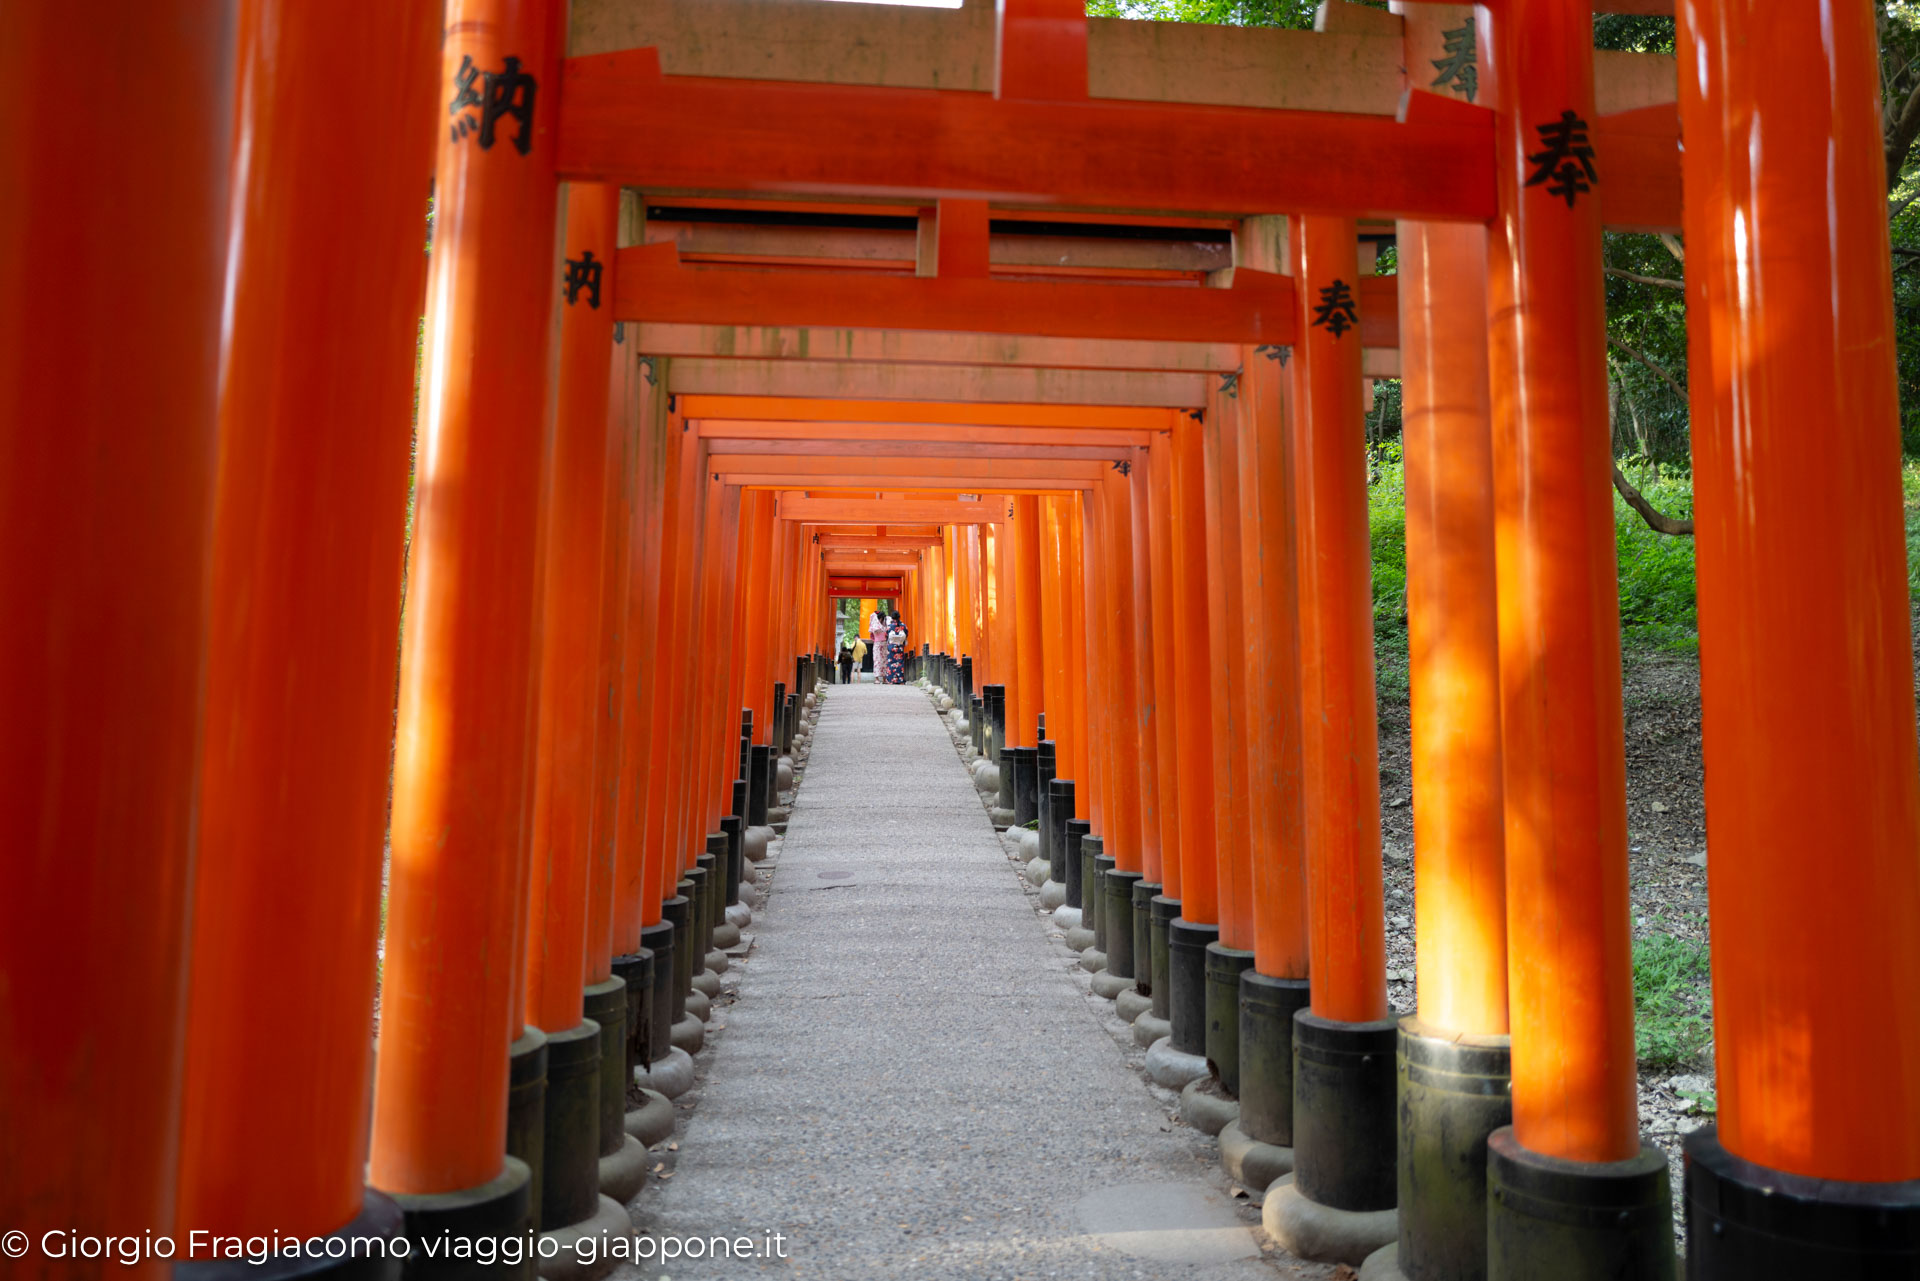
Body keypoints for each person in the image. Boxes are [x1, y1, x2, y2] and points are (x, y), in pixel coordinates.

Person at [882, 614, 908, 685]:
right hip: (900, 646)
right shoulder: (903, 626)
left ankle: (891, 680)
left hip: (892, 646)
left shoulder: (889, 626)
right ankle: (900, 680)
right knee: (899, 663)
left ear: (892, 618)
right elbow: (906, 634)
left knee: (891, 663)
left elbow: (886, 635)